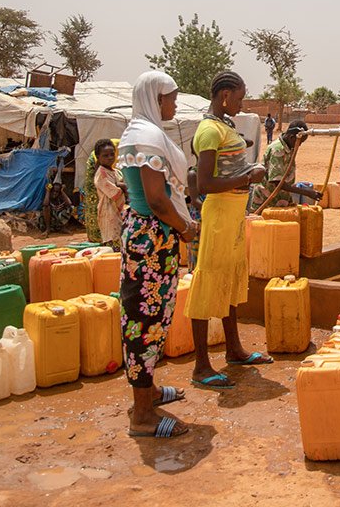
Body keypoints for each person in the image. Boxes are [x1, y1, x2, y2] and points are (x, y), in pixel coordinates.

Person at [116, 71, 198, 438]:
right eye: (171, 97)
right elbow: (156, 199)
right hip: (152, 237)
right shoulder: (147, 138)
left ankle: (147, 391)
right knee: (144, 322)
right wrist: (185, 227)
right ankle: (142, 417)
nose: (175, 104)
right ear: (155, 98)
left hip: (149, 238)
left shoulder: (140, 132)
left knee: (154, 317)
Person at [186, 70, 272, 391]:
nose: (241, 103)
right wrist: (248, 177)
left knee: (231, 279)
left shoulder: (225, 127)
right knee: (208, 281)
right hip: (220, 215)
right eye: (239, 97)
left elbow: (228, 162)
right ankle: (201, 366)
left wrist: (245, 168)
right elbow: (205, 182)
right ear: (225, 96)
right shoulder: (209, 130)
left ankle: (234, 350)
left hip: (235, 215)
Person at [248, 120, 321, 213]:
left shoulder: (288, 148)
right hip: (267, 201)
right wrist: (307, 193)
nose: (300, 145)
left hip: (279, 199)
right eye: (300, 142)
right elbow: (277, 183)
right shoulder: (278, 150)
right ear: (291, 137)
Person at [93, 138, 126, 250]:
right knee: (113, 244)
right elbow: (114, 193)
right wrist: (123, 186)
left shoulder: (116, 172)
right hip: (109, 212)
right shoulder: (101, 174)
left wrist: (121, 185)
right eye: (105, 156)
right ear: (98, 157)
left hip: (119, 212)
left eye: (112, 154)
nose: (110, 158)